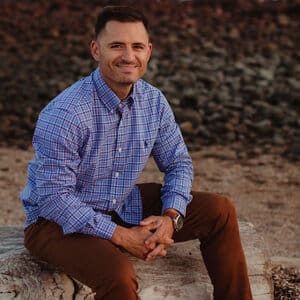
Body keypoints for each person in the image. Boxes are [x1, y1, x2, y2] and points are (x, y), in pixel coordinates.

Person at [21, 6, 253, 300]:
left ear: (149, 51)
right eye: (116, 45)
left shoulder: (153, 101)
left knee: (219, 211)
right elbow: (54, 198)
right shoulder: (66, 113)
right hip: (56, 223)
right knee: (118, 275)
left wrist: (170, 217)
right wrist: (122, 236)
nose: (129, 56)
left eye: (137, 46)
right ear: (96, 50)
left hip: (122, 205)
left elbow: (179, 163)